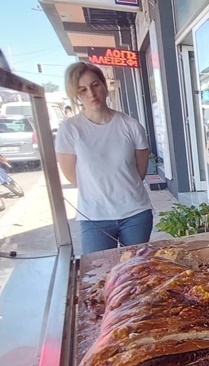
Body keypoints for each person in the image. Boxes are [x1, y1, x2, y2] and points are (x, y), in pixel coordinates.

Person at [55, 62, 153, 254]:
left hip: (135, 214)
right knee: (98, 275)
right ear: (76, 95)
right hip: (94, 218)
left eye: (95, 85)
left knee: (136, 272)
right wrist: (98, 189)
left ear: (104, 85)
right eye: (82, 89)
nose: (91, 94)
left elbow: (139, 172)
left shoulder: (130, 126)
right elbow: (72, 176)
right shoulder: (70, 129)